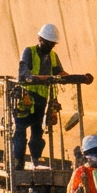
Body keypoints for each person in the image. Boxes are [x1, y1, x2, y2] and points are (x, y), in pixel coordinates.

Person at [12, 23, 66, 170]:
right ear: (40, 39)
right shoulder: (29, 52)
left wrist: (67, 77)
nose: (50, 47)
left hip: (42, 100)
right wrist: (41, 78)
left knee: (37, 133)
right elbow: (23, 74)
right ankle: (18, 164)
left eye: (52, 44)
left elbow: (59, 71)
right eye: (48, 43)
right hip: (27, 99)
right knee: (20, 132)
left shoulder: (53, 56)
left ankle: (35, 160)